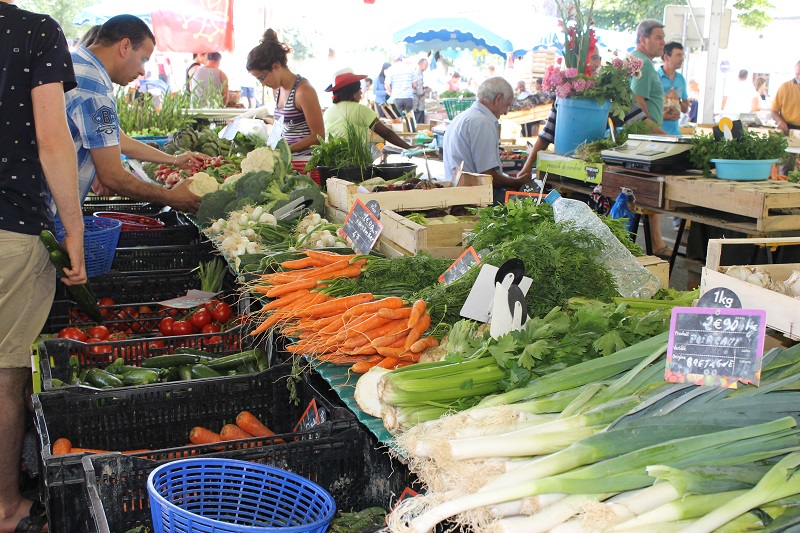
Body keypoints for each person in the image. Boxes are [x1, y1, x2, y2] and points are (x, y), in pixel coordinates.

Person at [0, 3, 86, 532]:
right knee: (5, 377)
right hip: (8, 228)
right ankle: (7, 507)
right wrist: (73, 228)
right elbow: (53, 139)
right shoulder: (31, 30)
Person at [67, 15, 206, 212]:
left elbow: (117, 139)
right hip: (44, 211)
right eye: (143, 59)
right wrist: (170, 197)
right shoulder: (94, 87)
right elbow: (112, 175)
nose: (142, 71)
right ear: (125, 46)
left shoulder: (76, 65)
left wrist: (174, 160)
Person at [442, 77, 523, 203]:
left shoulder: (462, 117)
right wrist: (517, 182)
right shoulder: (483, 122)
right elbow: (488, 176)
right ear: (499, 98)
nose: (506, 111)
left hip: (457, 195)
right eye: (507, 105)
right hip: (474, 199)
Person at [247, 28, 325, 154]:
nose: (262, 83)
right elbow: (285, 128)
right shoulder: (276, 90)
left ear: (276, 66)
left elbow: (318, 136)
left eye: (262, 77)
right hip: (288, 160)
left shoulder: (304, 91)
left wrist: (286, 150)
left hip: (305, 161)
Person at [630, 19, 671, 258]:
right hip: (646, 137)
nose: (662, 43)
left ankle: (656, 242)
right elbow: (638, 101)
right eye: (658, 37)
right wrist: (658, 133)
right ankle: (655, 243)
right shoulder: (642, 63)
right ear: (643, 39)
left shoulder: (640, 62)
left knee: (651, 189)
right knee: (652, 188)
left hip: (646, 134)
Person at [322, 68, 412, 150]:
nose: (361, 92)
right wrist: (409, 147)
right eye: (359, 89)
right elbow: (386, 133)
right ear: (353, 92)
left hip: (329, 159)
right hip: (352, 162)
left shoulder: (328, 112)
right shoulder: (360, 109)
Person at [658, 42, 690, 135]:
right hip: (657, 133)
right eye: (678, 55)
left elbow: (685, 109)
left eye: (682, 55)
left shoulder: (680, 78)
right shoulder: (655, 77)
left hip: (675, 133)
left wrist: (678, 100)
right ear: (666, 57)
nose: (682, 59)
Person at [770, 61, 800, 132]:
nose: (799, 77)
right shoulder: (785, 87)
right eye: (797, 74)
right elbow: (773, 111)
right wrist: (780, 121)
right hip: (788, 128)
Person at [412, 57, 430, 124]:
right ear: (420, 64)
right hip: (417, 103)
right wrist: (425, 91)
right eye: (425, 64)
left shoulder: (420, 74)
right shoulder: (417, 74)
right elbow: (418, 91)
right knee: (418, 123)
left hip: (419, 103)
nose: (426, 66)